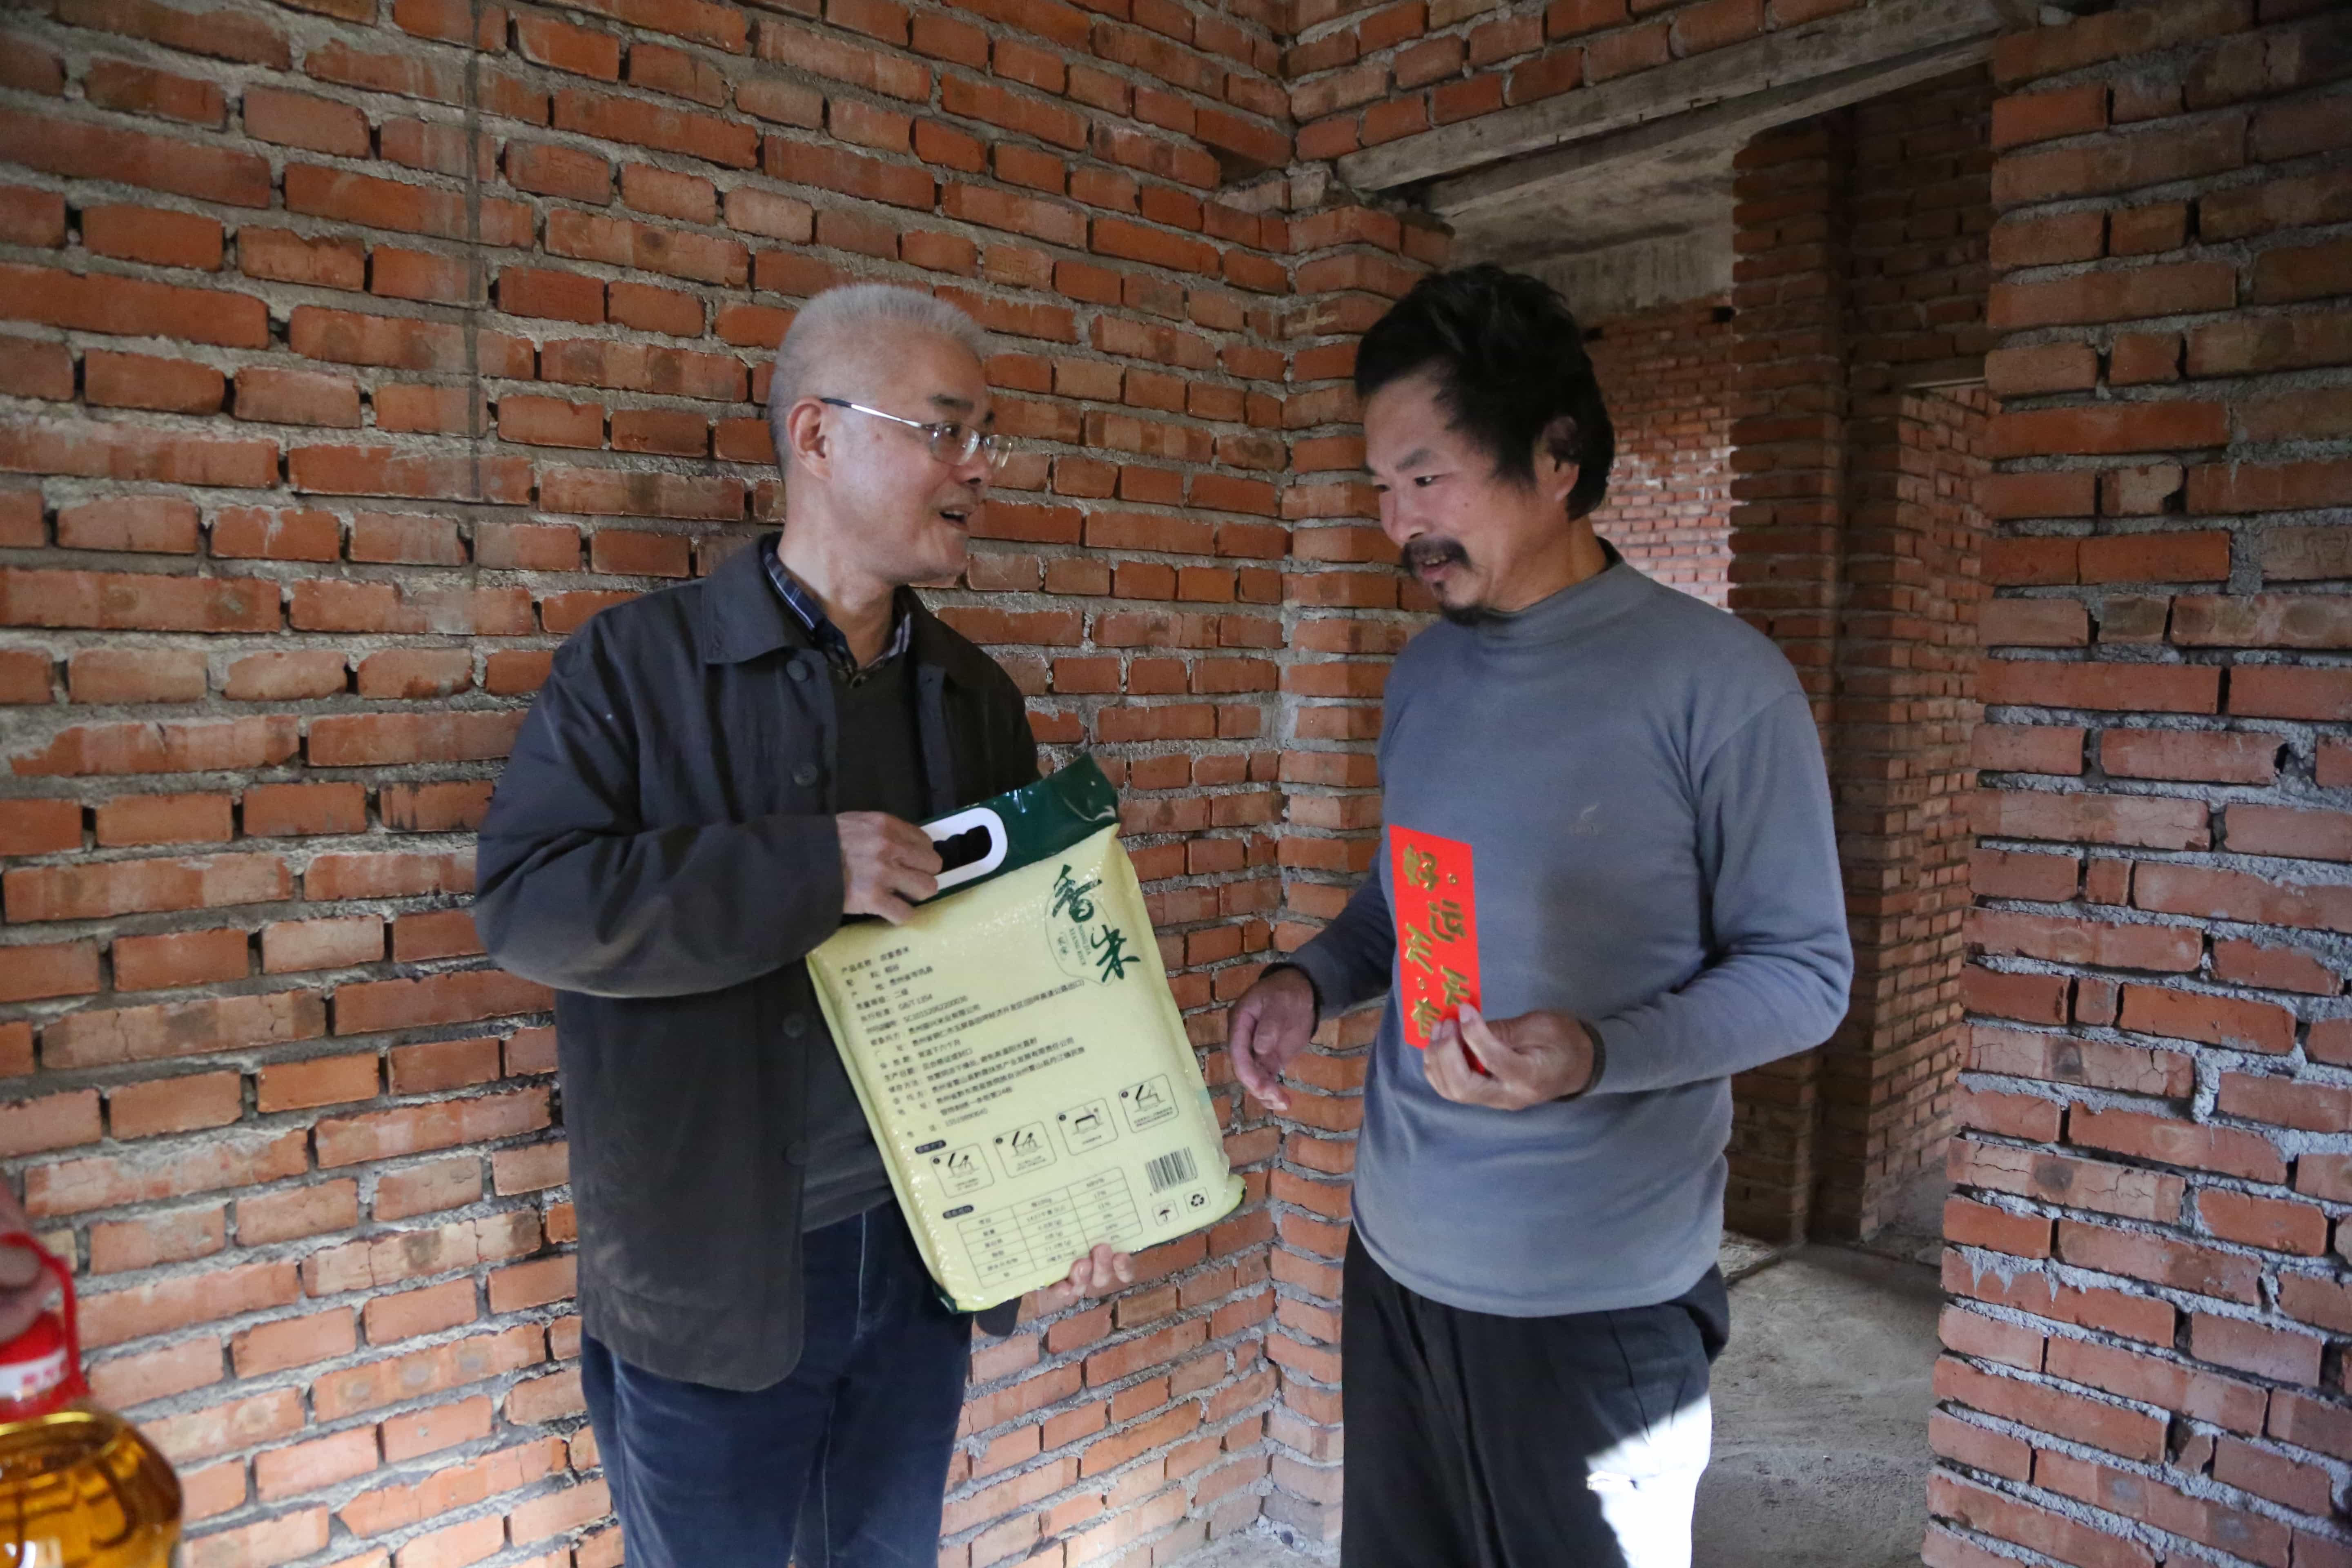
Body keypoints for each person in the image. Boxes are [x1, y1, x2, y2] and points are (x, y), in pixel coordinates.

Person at [474, 285, 1133, 1568]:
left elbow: (1029, 978)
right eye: (947, 430)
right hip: (711, 1287)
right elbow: (529, 905)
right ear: (818, 435)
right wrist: (802, 872)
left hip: (923, 1263)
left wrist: (1064, 1197)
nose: (980, 467)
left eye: (986, 437)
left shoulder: (973, 698)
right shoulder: (634, 671)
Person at [1224, 265, 1853, 1568]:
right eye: (1381, 486)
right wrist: (1311, 980)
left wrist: (1595, 1052)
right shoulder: (1426, 671)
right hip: (1397, 1262)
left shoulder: (1719, 683)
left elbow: (1804, 975)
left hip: (1596, 1304)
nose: (1400, 521)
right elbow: (1410, 901)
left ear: (1557, 457)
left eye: (1427, 477)